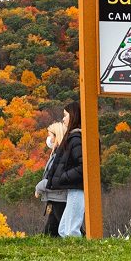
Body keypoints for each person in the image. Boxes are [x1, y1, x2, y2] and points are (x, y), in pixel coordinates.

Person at [49, 101, 86, 238]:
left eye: (65, 115)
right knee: (64, 229)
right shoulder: (74, 138)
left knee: (71, 230)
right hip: (73, 188)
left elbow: (83, 166)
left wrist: (64, 176)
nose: (63, 119)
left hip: (76, 187)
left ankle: (80, 256)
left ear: (74, 116)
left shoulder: (76, 139)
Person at [32, 120, 69, 237]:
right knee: (52, 230)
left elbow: (54, 177)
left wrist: (39, 187)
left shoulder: (60, 155)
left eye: (50, 135)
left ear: (56, 136)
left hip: (59, 197)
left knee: (65, 228)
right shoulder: (57, 153)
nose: (49, 139)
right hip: (56, 197)